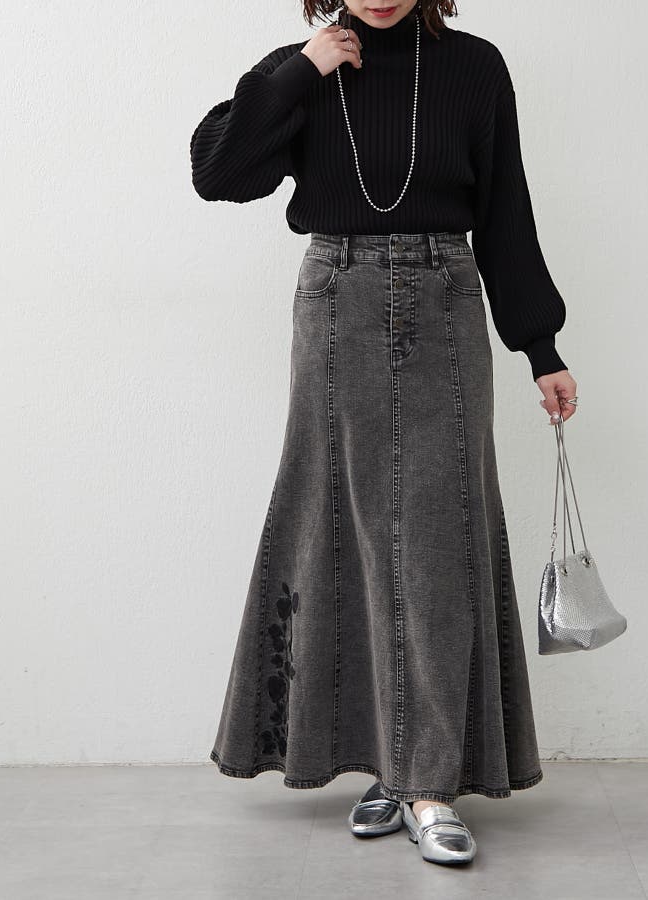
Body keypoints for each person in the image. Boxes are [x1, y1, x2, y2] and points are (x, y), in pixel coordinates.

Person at [189, 0, 578, 866]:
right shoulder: (304, 68)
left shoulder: (474, 66)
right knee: (341, 537)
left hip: (445, 296)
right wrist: (301, 70)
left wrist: (540, 347)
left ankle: (428, 782)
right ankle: (394, 768)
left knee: (437, 542)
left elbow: (505, 209)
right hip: (337, 301)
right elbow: (218, 172)